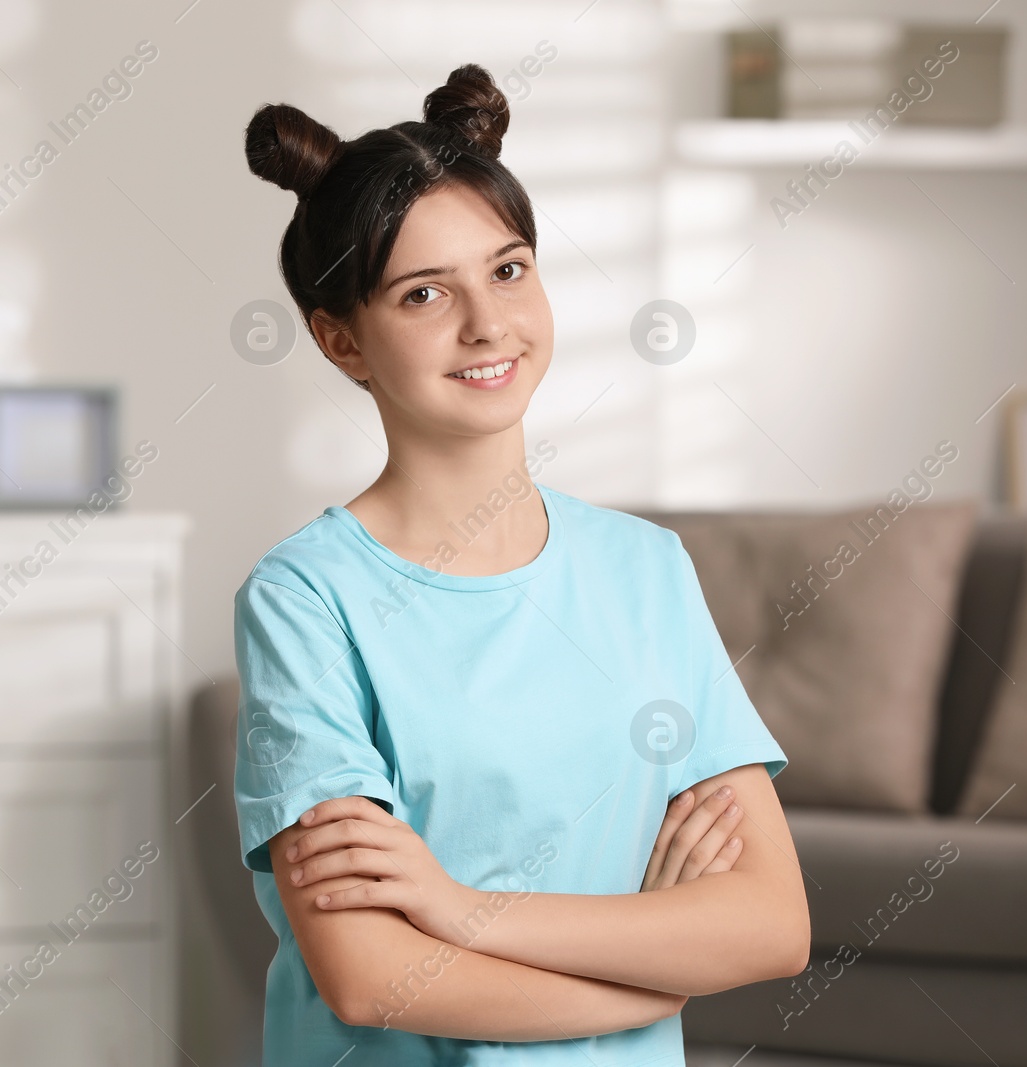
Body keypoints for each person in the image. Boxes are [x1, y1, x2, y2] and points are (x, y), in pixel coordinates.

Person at [233, 62, 809, 1067]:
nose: (487, 323)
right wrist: (661, 968)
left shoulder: (647, 570)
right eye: (423, 294)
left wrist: (459, 909)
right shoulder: (305, 598)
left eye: (507, 269)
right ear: (342, 342)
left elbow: (769, 925)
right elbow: (369, 977)